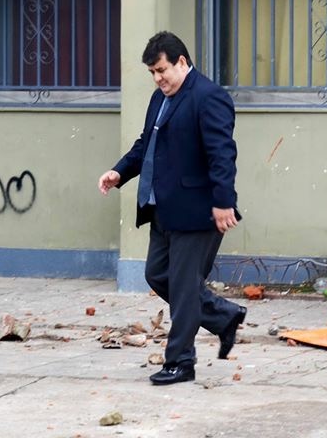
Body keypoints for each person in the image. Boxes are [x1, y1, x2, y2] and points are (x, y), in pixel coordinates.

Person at [97, 31, 246, 385]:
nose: (158, 78)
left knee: (181, 288)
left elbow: (222, 154)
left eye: (161, 69)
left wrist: (224, 202)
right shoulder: (159, 98)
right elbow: (145, 144)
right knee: (157, 274)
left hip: (198, 212)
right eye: (152, 72)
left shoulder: (209, 97)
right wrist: (120, 172)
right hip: (163, 208)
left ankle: (181, 362)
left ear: (182, 62)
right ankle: (223, 316)